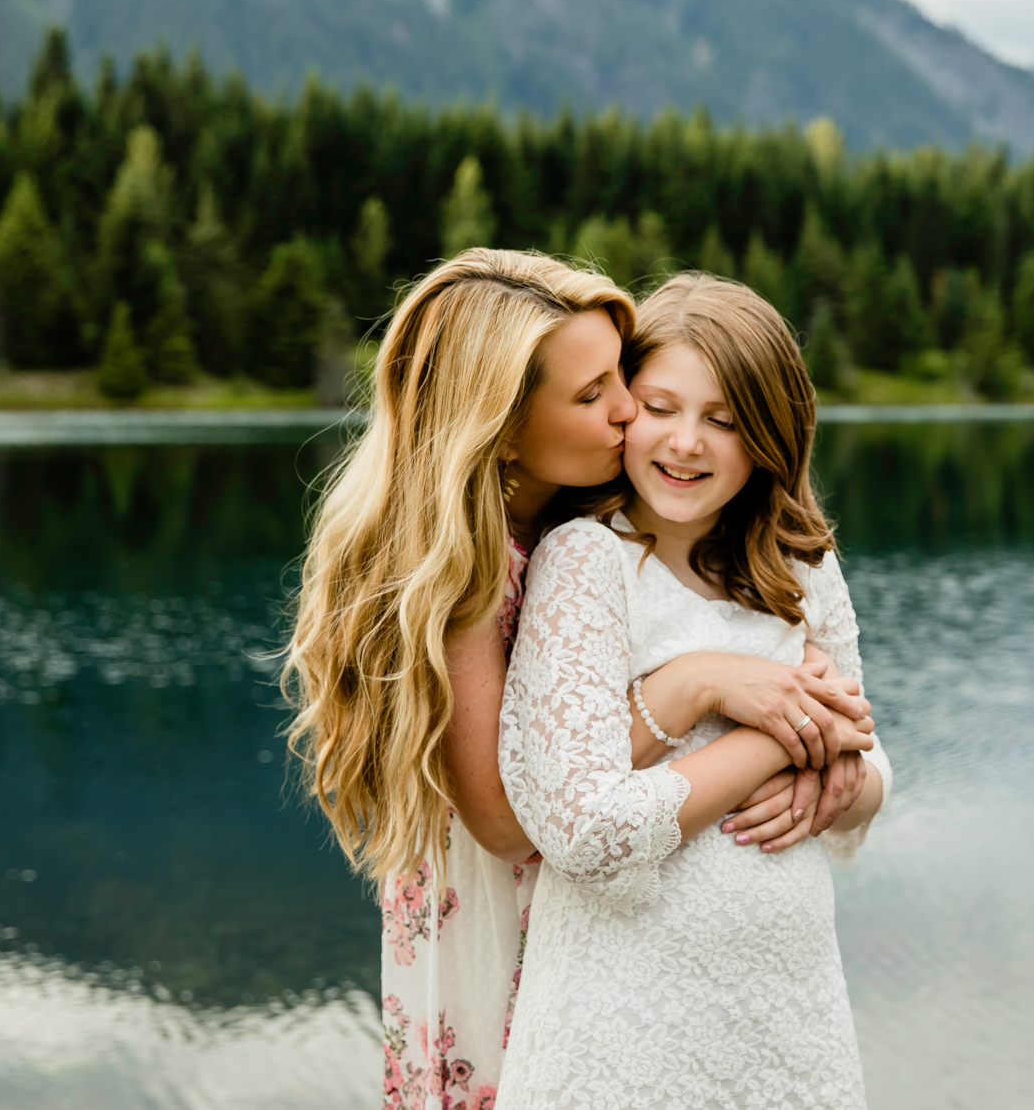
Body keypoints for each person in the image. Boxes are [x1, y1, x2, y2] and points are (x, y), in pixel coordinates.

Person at [280, 250, 871, 1110]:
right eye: (596, 395)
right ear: (505, 423)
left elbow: (838, 714)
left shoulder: (587, 514)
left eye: (623, 378)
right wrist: (696, 691)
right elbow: (512, 820)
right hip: (507, 910)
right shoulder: (463, 564)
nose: (630, 411)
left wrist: (836, 759)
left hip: (629, 922)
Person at [497, 273, 891, 1110]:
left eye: (723, 419)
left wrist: (845, 775)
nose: (685, 442)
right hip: (624, 1020)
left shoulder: (801, 567)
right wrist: (773, 740)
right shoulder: (587, 561)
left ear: (770, 435)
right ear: (622, 409)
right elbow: (583, 828)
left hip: (786, 1017)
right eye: (660, 406)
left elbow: (867, 758)